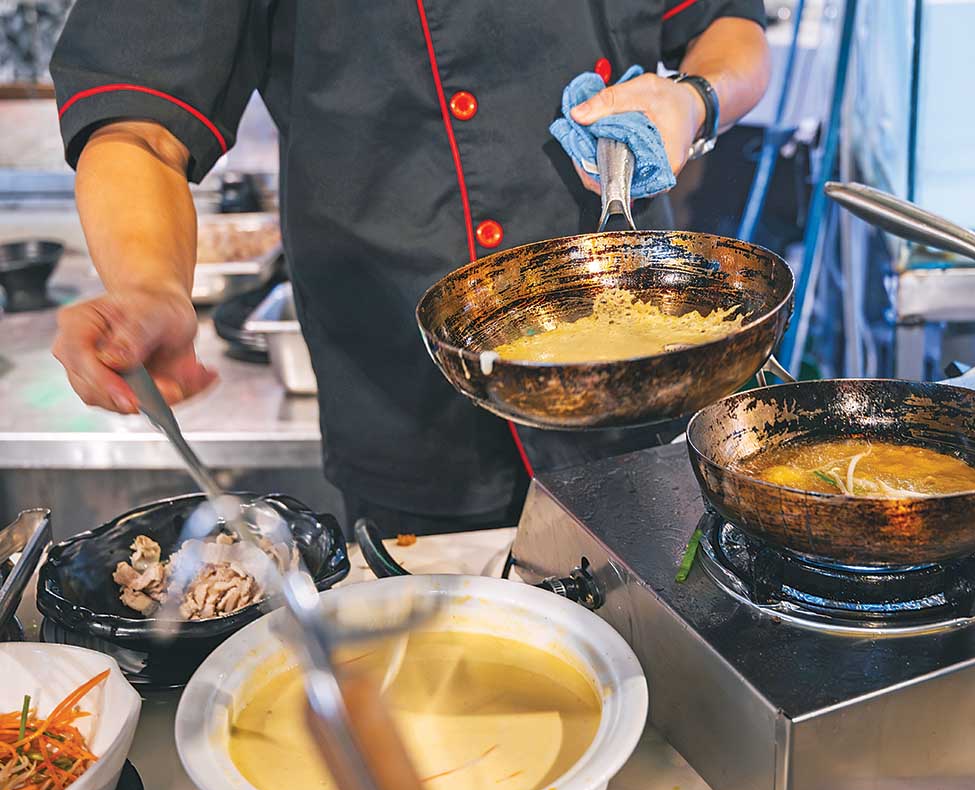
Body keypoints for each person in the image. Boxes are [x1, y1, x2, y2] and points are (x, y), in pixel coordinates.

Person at [48, 0, 771, 535]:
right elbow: (140, 125)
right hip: (403, 396)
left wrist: (694, 101)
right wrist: (149, 285)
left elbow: (730, 26)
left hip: (642, 374)